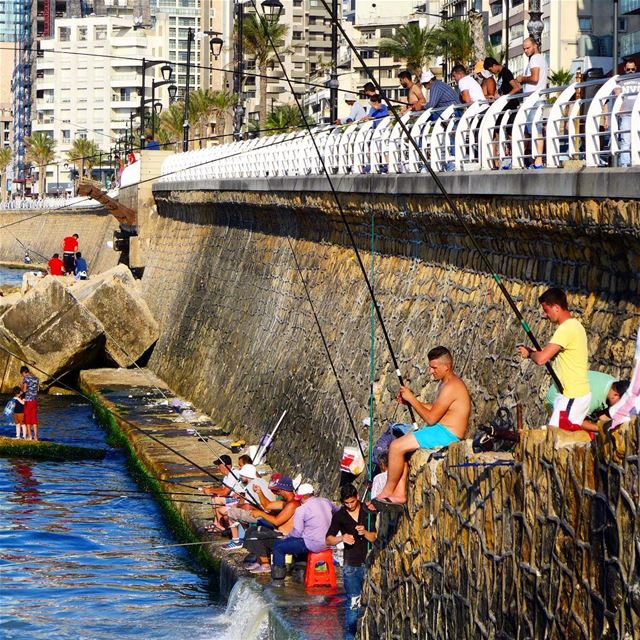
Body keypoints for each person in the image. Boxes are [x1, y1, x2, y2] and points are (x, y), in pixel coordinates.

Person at [374, 346, 471, 507]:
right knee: (401, 450)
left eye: (434, 367)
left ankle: (387, 491)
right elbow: (435, 409)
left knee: (396, 447)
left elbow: (431, 418)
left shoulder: (451, 387)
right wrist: (411, 402)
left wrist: (412, 399)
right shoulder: (446, 383)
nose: (430, 371)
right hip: (441, 430)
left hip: (447, 434)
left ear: (446, 367)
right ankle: (399, 493)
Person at [518, 287, 590, 430]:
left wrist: (529, 353)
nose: (545, 315)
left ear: (556, 307)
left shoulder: (567, 328)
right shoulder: (574, 326)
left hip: (573, 395)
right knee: (556, 439)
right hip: (568, 395)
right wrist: (533, 352)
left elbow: (541, 359)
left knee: (556, 440)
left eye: (546, 310)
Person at [326, 484, 377, 640]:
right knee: (353, 603)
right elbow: (328, 539)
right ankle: (350, 636)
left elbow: (375, 537)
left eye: (352, 502)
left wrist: (365, 532)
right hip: (351, 565)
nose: (349, 506)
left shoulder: (368, 511)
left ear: (357, 497)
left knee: (372, 603)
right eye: (346, 503)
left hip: (370, 562)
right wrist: (342, 538)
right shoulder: (340, 516)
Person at [270, 483, 337, 581]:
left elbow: (297, 533)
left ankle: (278, 581)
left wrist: (287, 537)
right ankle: (300, 575)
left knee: (278, 546)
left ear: (302, 497)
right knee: (299, 545)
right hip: (327, 543)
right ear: (313, 493)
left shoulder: (301, 509)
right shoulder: (326, 502)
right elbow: (337, 511)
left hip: (312, 544)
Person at [242, 475, 301, 574]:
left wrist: (261, 513)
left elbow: (276, 521)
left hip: (285, 538)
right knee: (251, 530)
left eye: (277, 491)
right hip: (278, 534)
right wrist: (259, 492)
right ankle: (259, 560)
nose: (276, 493)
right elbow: (267, 505)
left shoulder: (293, 504)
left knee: (256, 536)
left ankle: (265, 565)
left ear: (283, 490)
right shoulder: (286, 502)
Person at [516, 38, 549, 169]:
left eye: (528, 48)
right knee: (530, 130)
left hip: (534, 100)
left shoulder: (535, 58)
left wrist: (521, 79)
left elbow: (534, 78)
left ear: (535, 46)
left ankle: (538, 160)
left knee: (535, 130)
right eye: (524, 49)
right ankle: (533, 159)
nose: (525, 51)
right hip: (535, 99)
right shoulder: (541, 59)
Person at [613, 60, 639, 167]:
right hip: (627, 114)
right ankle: (624, 164)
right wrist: (620, 107)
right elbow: (617, 92)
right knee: (625, 140)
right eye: (628, 69)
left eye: (632, 69)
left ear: (635, 68)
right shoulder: (621, 81)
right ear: (624, 69)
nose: (630, 71)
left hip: (638, 113)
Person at [20, 366, 39, 441]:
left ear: (24, 372)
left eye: (22, 374)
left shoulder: (26, 378)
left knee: (27, 419)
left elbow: (24, 390)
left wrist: (21, 385)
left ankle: (30, 436)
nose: (22, 376)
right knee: (34, 419)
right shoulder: (36, 378)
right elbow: (37, 389)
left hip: (28, 401)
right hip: (34, 400)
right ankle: (36, 437)